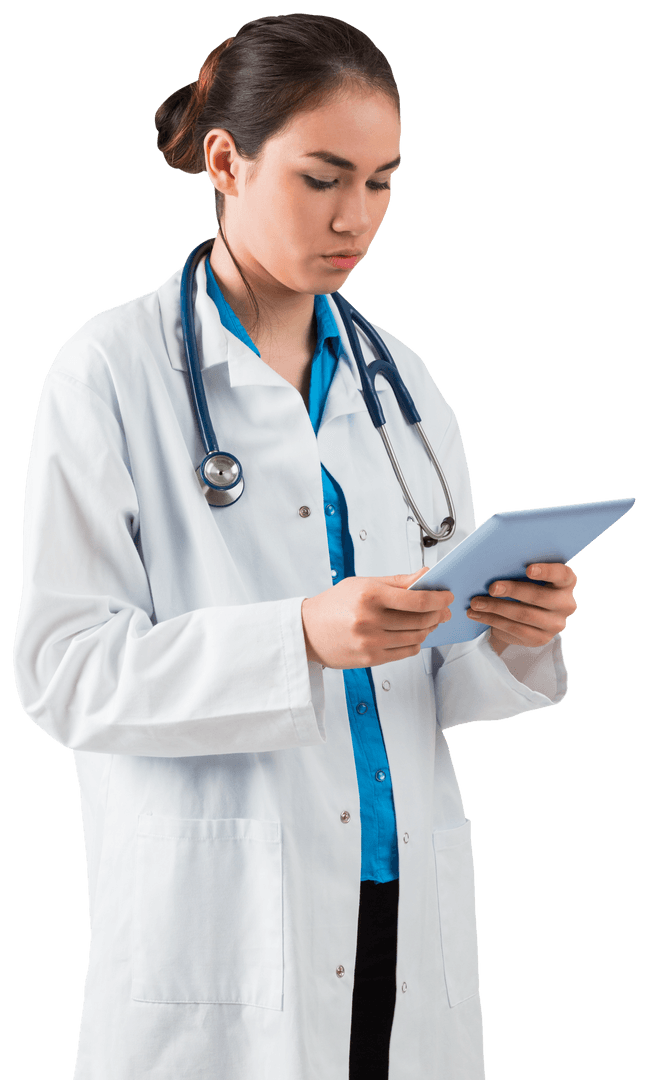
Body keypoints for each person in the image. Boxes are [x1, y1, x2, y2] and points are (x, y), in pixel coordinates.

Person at [13, 13, 578, 1080]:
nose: (355, 218)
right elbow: (63, 676)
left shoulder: (402, 385)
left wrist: (508, 635)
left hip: (399, 916)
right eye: (322, 177)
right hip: (224, 932)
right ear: (225, 161)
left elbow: (428, 680)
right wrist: (299, 638)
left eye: (381, 182)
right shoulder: (112, 372)